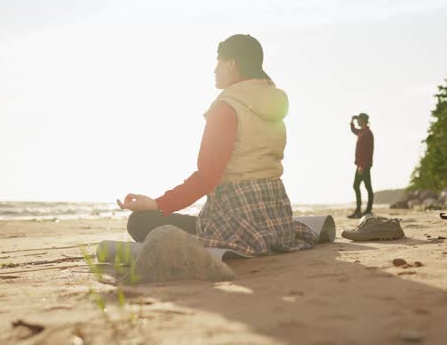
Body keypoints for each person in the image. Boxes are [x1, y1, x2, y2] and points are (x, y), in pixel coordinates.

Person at [117, 34, 318, 256]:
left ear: (231, 63)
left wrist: (156, 204)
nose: (214, 69)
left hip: (239, 219)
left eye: (218, 61)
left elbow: (207, 177)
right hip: (277, 218)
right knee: (188, 221)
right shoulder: (273, 103)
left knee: (139, 222)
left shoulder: (227, 107)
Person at [348, 112, 375, 218]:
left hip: (364, 165)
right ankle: (360, 210)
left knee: (364, 186)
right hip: (361, 165)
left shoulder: (367, 133)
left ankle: (366, 210)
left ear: (362, 120)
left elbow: (367, 151)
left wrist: (362, 166)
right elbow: (354, 130)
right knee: (360, 186)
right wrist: (352, 121)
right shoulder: (362, 132)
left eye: (359, 119)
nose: (357, 121)